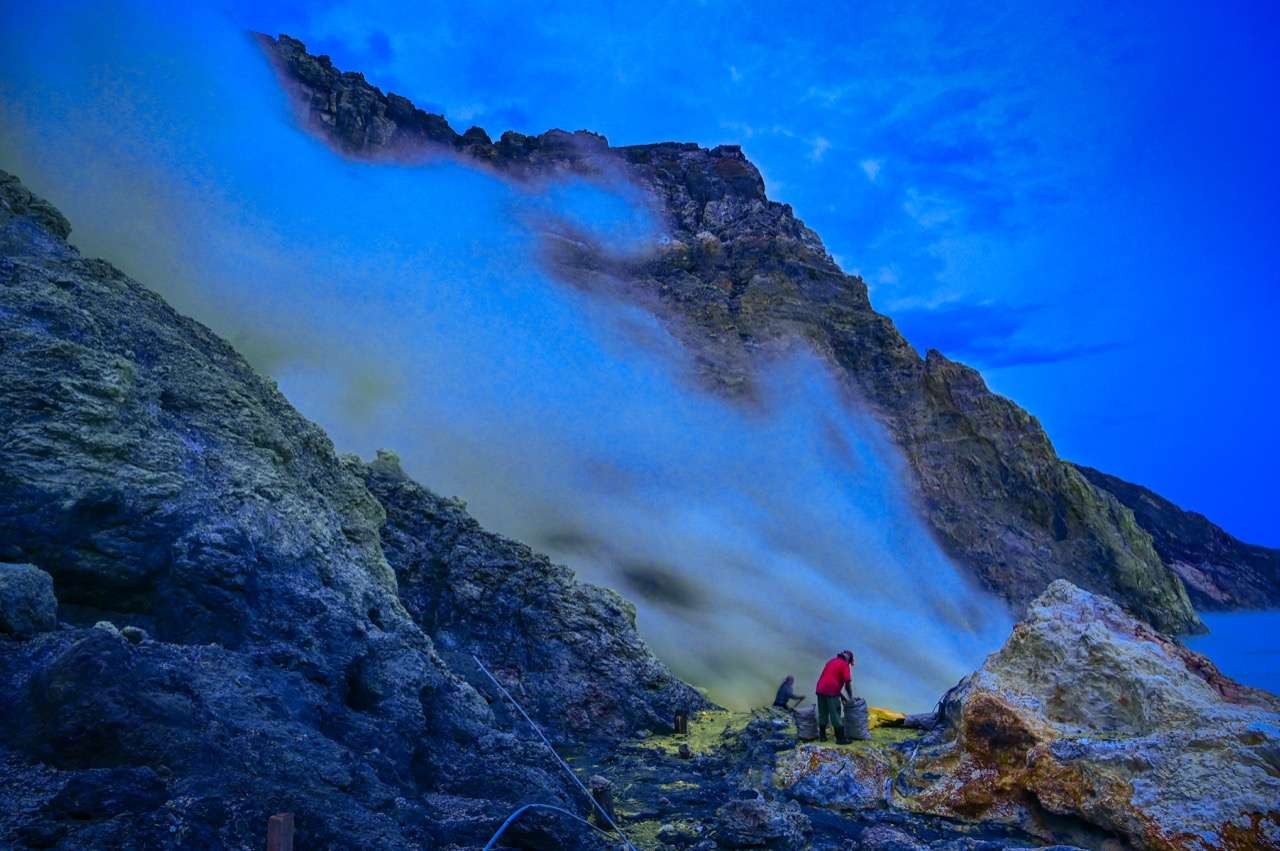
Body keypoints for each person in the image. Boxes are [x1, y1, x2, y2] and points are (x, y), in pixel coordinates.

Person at [814, 650, 855, 742]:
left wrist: (843, 697)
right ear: (849, 659)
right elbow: (847, 683)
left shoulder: (831, 661)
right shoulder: (844, 665)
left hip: (820, 689)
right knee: (835, 714)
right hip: (831, 692)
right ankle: (840, 739)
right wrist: (851, 697)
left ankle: (822, 737)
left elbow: (829, 680)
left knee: (823, 713)